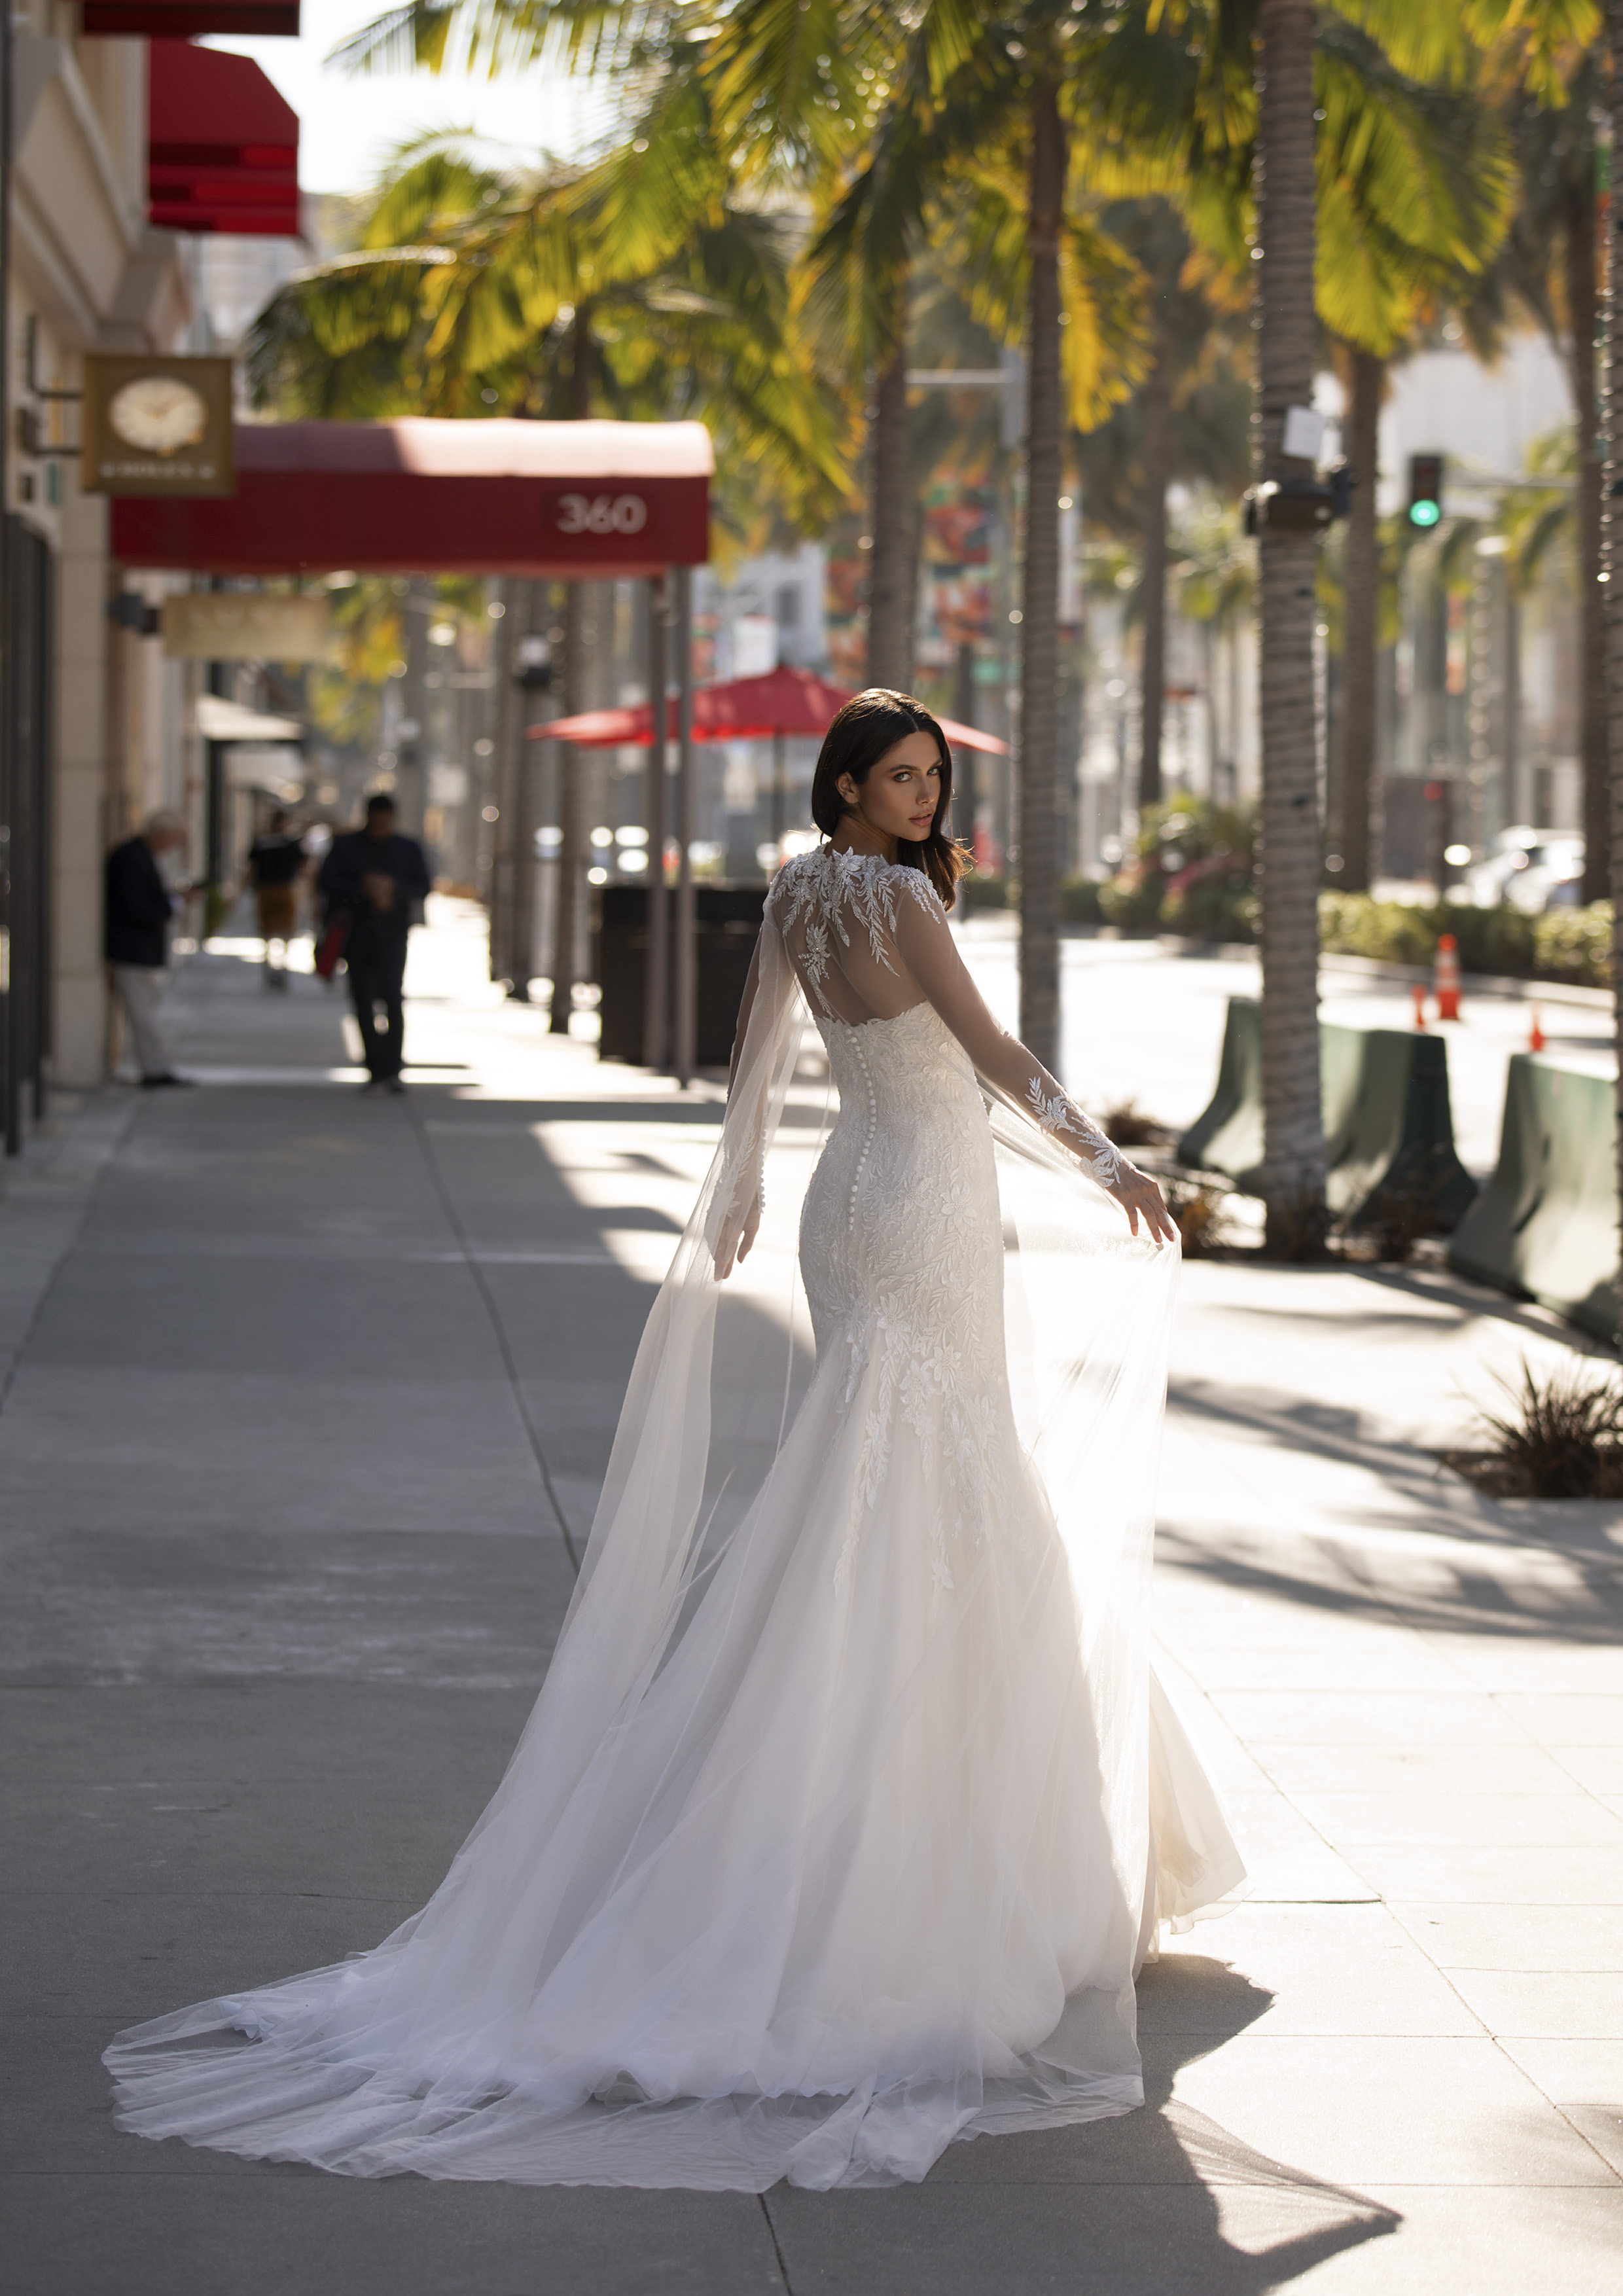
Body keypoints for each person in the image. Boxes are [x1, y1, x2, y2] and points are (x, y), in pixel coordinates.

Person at [105, 692, 1245, 2190]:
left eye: (928, 778)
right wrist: (1109, 1163)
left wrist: (747, 1191)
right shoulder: (896, 894)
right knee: (939, 1486)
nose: (917, 796)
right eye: (897, 775)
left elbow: (757, 1058)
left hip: (856, 1203)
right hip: (923, 1209)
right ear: (846, 784)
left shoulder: (794, 891)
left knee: (880, 1485)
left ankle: (932, 1820)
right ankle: (953, 1867)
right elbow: (987, 1052)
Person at [315, 794, 431, 1094]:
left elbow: (423, 886)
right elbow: (327, 883)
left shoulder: (408, 848)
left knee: (392, 997)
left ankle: (393, 1068)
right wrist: (363, 890)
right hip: (357, 932)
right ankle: (374, 1067)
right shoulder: (346, 846)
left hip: (392, 933)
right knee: (362, 999)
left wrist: (392, 890)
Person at [104, 810, 192, 1088]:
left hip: (141, 948)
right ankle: (156, 1070)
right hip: (131, 948)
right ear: (161, 834)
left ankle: (156, 1068)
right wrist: (171, 906)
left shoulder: (144, 856)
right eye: (173, 839)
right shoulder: (130, 857)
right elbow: (136, 906)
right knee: (143, 1014)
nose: (173, 846)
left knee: (146, 1011)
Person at [243, 808, 306, 990]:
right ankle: (275, 970)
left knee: (273, 932)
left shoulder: (266, 843)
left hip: (273, 889)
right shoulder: (287, 843)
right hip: (278, 889)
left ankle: (275, 969)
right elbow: (304, 867)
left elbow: (251, 868)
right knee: (276, 932)